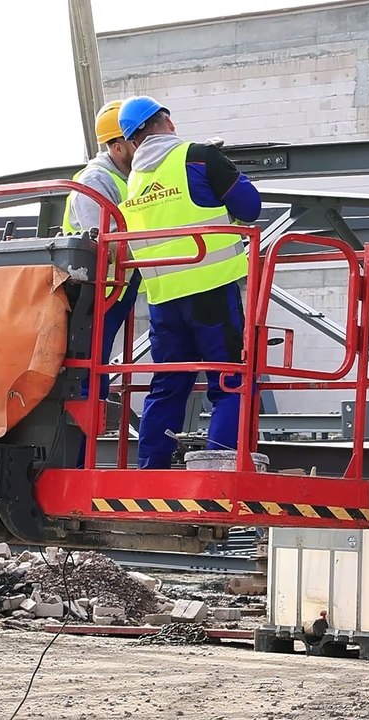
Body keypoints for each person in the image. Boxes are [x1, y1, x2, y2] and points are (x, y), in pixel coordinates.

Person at [116, 95, 262, 469]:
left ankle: (151, 469)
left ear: (133, 141)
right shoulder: (198, 156)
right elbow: (250, 208)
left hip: (164, 301)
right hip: (211, 290)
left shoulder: (135, 178)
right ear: (167, 121)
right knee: (230, 381)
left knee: (167, 386)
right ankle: (220, 467)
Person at [63, 99, 143, 402]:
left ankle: (84, 442)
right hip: (96, 292)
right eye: (135, 141)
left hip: (114, 289)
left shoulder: (129, 179)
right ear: (117, 147)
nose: (143, 147)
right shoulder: (96, 180)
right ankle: (80, 447)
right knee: (88, 374)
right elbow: (106, 243)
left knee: (96, 369)